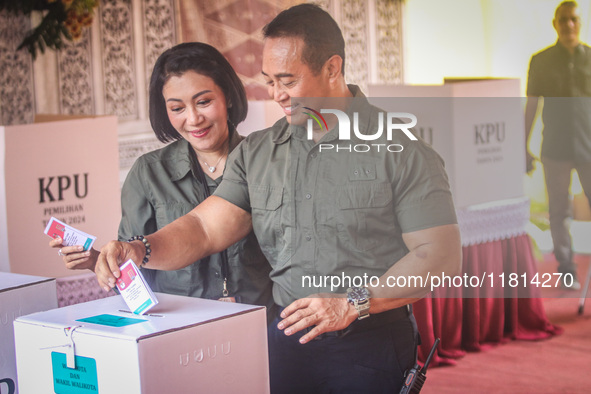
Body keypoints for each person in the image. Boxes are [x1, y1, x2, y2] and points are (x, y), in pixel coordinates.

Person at [95, 4, 461, 393]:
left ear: (332, 69)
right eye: (269, 80)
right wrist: (140, 249)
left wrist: (352, 302)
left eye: (287, 80)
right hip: (285, 345)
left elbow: (439, 256)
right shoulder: (258, 152)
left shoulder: (401, 150)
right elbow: (203, 228)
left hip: (369, 347)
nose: (275, 94)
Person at [49, 42, 275, 311]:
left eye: (203, 102)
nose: (193, 119)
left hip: (266, 324)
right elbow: (135, 266)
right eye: (177, 108)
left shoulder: (267, 162)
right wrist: (100, 261)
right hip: (181, 329)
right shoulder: (149, 173)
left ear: (227, 96)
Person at [525, 0, 591, 290]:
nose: (569, 25)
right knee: (559, 212)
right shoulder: (540, 61)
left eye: (574, 19)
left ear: (580, 22)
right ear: (555, 24)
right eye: (563, 20)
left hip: (589, 147)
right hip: (555, 148)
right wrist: (521, 145)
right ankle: (567, 270)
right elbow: (531, 106)